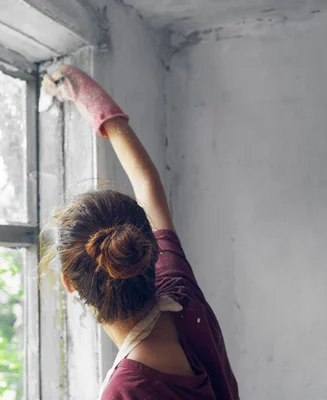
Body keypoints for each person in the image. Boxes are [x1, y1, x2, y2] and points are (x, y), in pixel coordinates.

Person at [41, 65, 239, 400]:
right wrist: (86, 93)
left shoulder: (126, 392)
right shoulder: (182, 294)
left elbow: (148, 189)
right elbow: (147, 185)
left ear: (69, 284)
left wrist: (85, 94)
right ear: (145, 250)